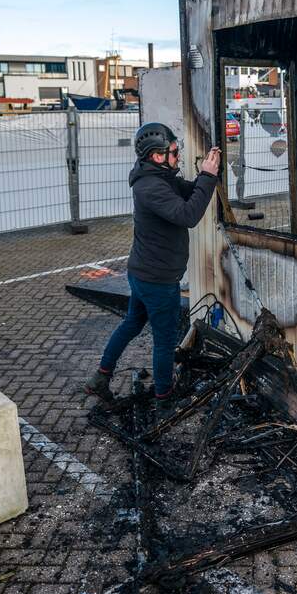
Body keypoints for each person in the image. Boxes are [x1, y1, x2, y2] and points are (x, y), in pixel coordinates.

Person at [85, 122, 221, 407]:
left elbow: (188, 191)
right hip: (157, 280)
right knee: (164, 340)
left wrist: (206, 175)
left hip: (143, 273)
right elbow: (188, 215)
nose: (178, 155)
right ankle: (164, 397)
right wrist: (208, 178)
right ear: (158, 156)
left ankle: (100, 378)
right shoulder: (151, 187)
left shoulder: (159, 177)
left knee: (132, 324)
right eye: (174, 151)